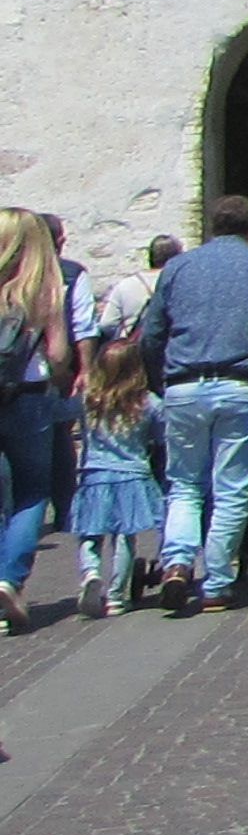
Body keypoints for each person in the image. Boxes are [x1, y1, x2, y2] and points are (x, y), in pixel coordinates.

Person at [137, 193, 248, 616]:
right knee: (231, 489)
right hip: (240, 383)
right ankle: (217, 582)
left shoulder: (179, 266)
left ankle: (178, 561)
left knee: (183, 483)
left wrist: (161, 380)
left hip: (182, 383)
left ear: (212, 225)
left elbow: (151, 334)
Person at [0, 208, 81, 631]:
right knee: (33, 494)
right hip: (30, 399)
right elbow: (58, 354)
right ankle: (8, 580)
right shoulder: (45, 286)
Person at [60, 329, 164, 615]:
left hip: (94, 474)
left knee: (90, 533)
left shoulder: (89, 400)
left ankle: (91, 572)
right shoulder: (146, 401)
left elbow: (62, 413)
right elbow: (164, 431)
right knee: (125, 536)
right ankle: (117, 595)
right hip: (132, 475)